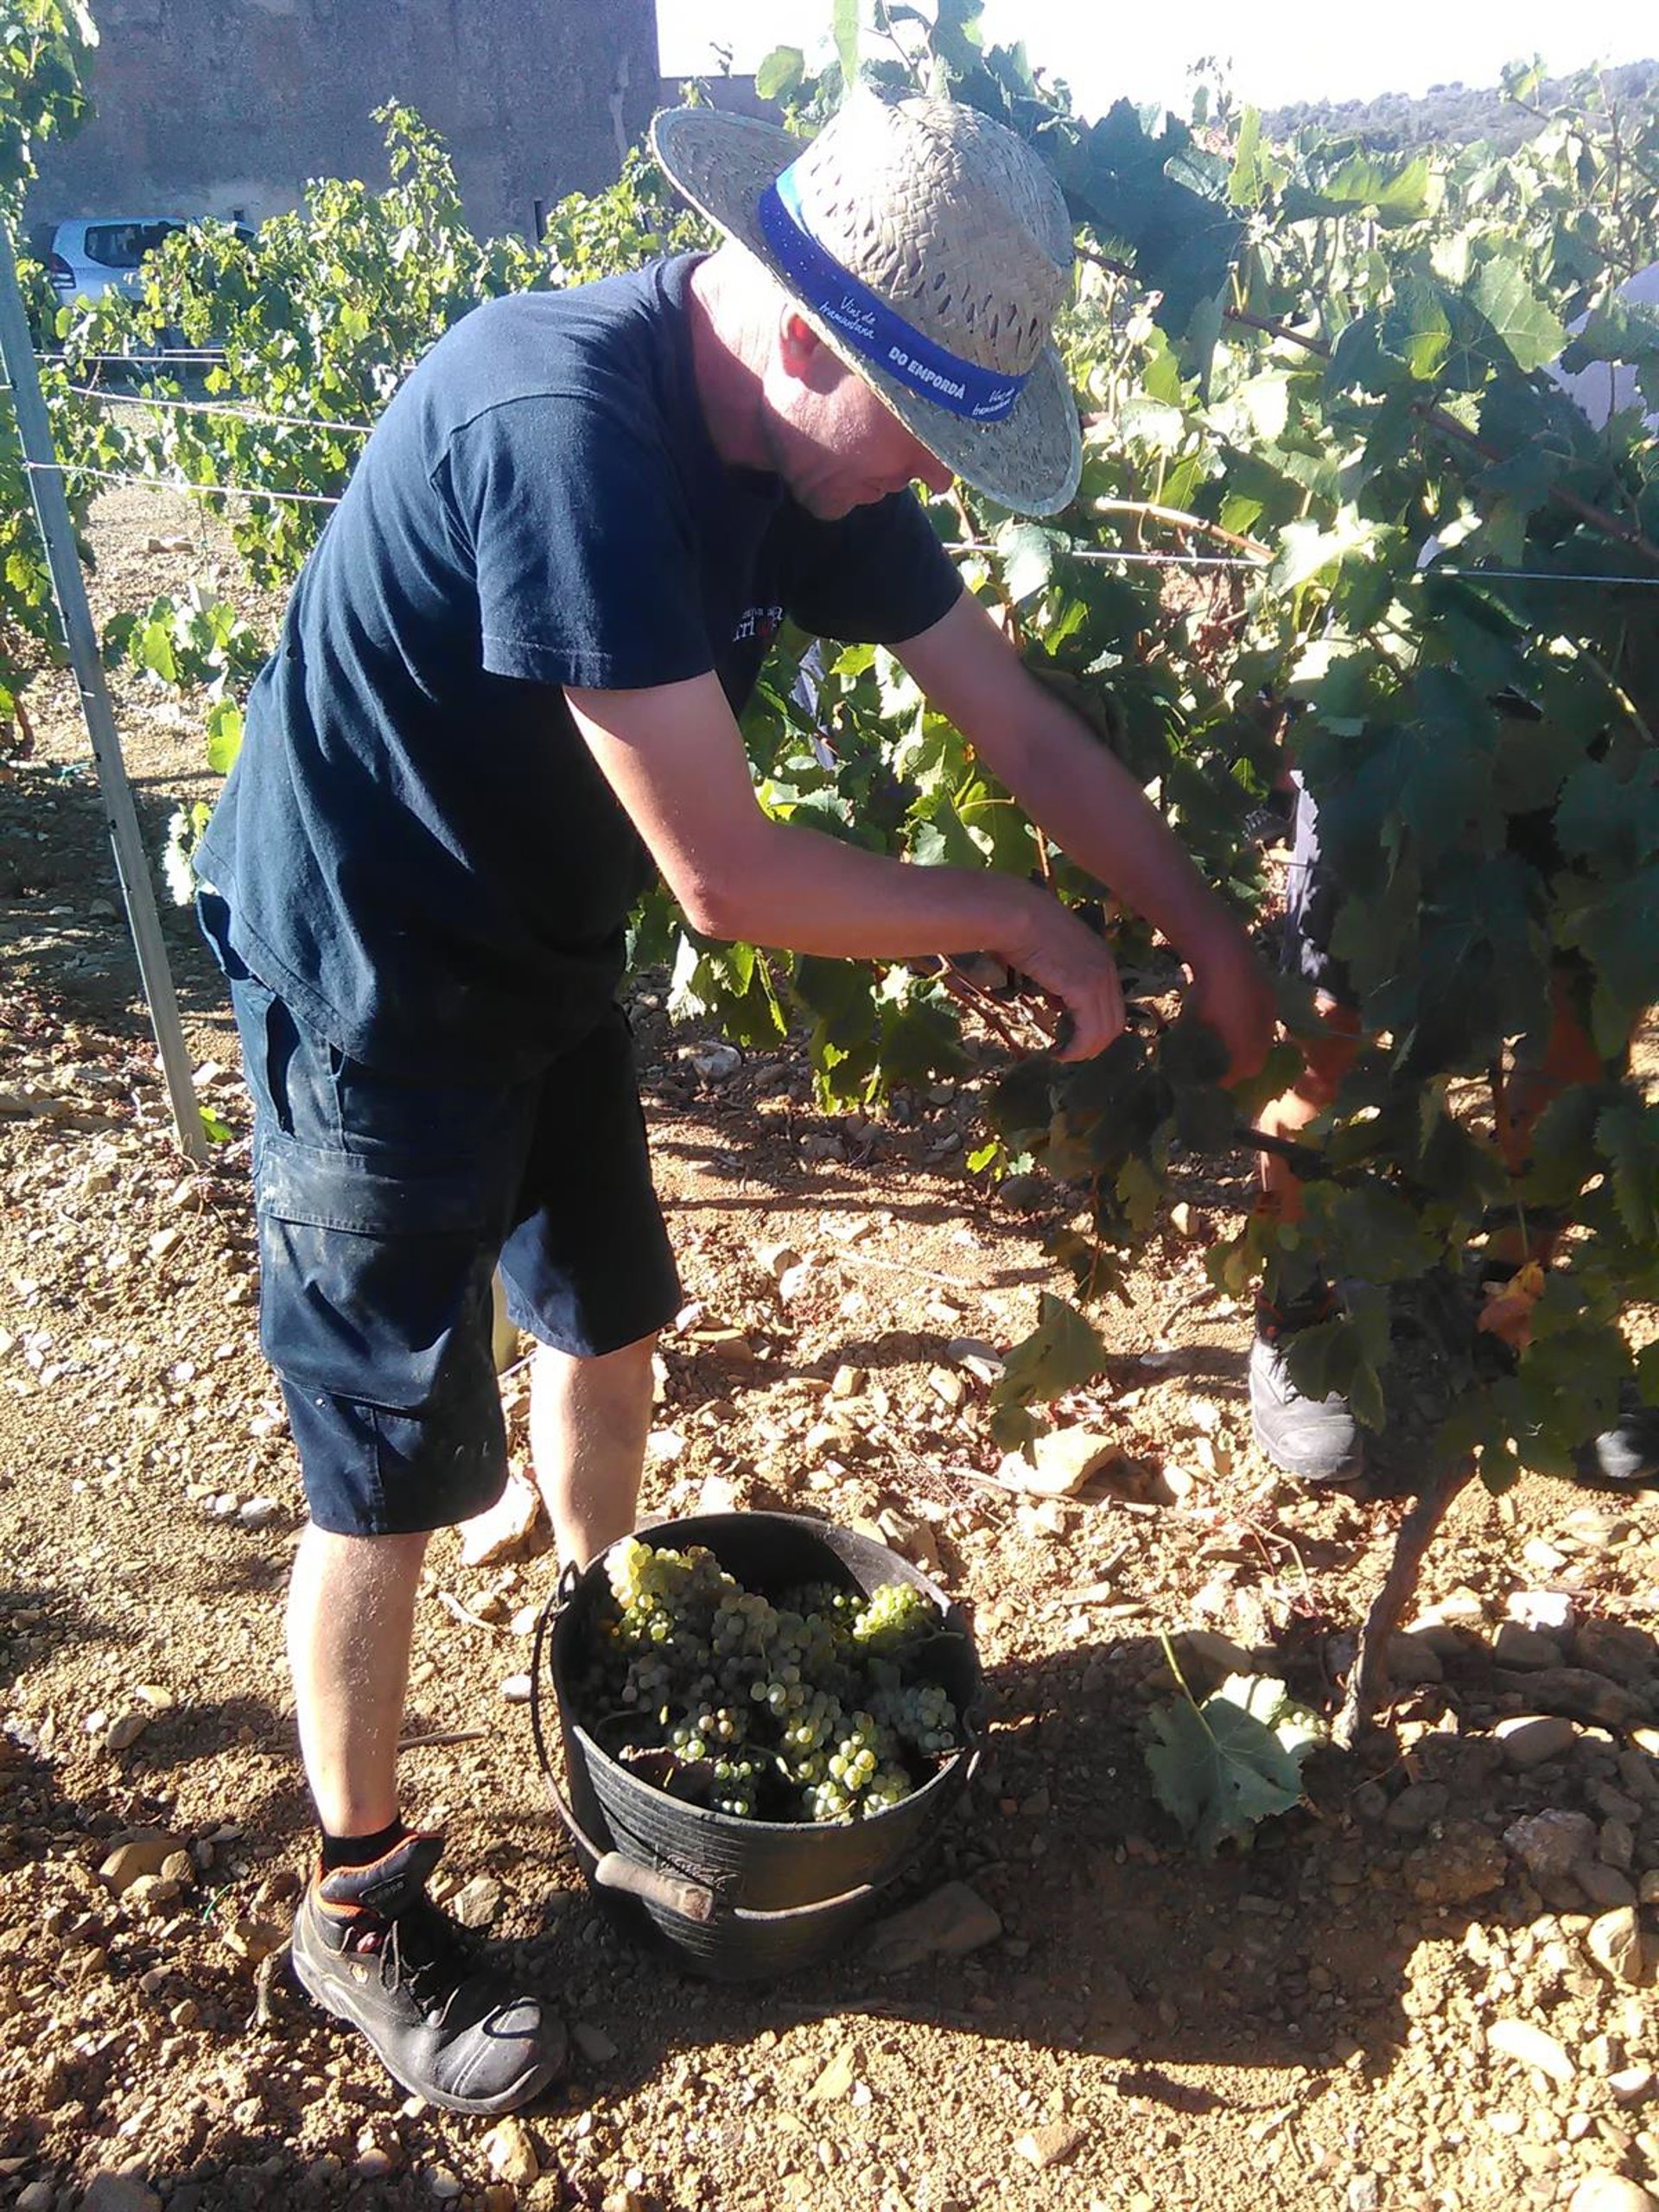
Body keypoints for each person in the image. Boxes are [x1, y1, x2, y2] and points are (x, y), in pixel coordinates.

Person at [194, 88, 1276, 2114]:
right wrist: (1008, 917)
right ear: (801, 330)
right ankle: (354, 1896)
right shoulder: (566, 430)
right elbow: (723, 872)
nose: (923, 478)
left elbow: (1017, 723)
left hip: (542, 941)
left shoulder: (811, 450)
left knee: (608, 1322)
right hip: (374, 968)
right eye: (918, 429)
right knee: (386, 1469)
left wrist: (1205, 936)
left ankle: (603, 1648)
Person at [1249, 261, 1659, 1484]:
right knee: (1329, 1030)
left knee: (1583, 1028)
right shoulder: (1637, 317)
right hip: (1429, 677)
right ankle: (1294, 1314)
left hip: (1618, 727)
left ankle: (1509, 1306)